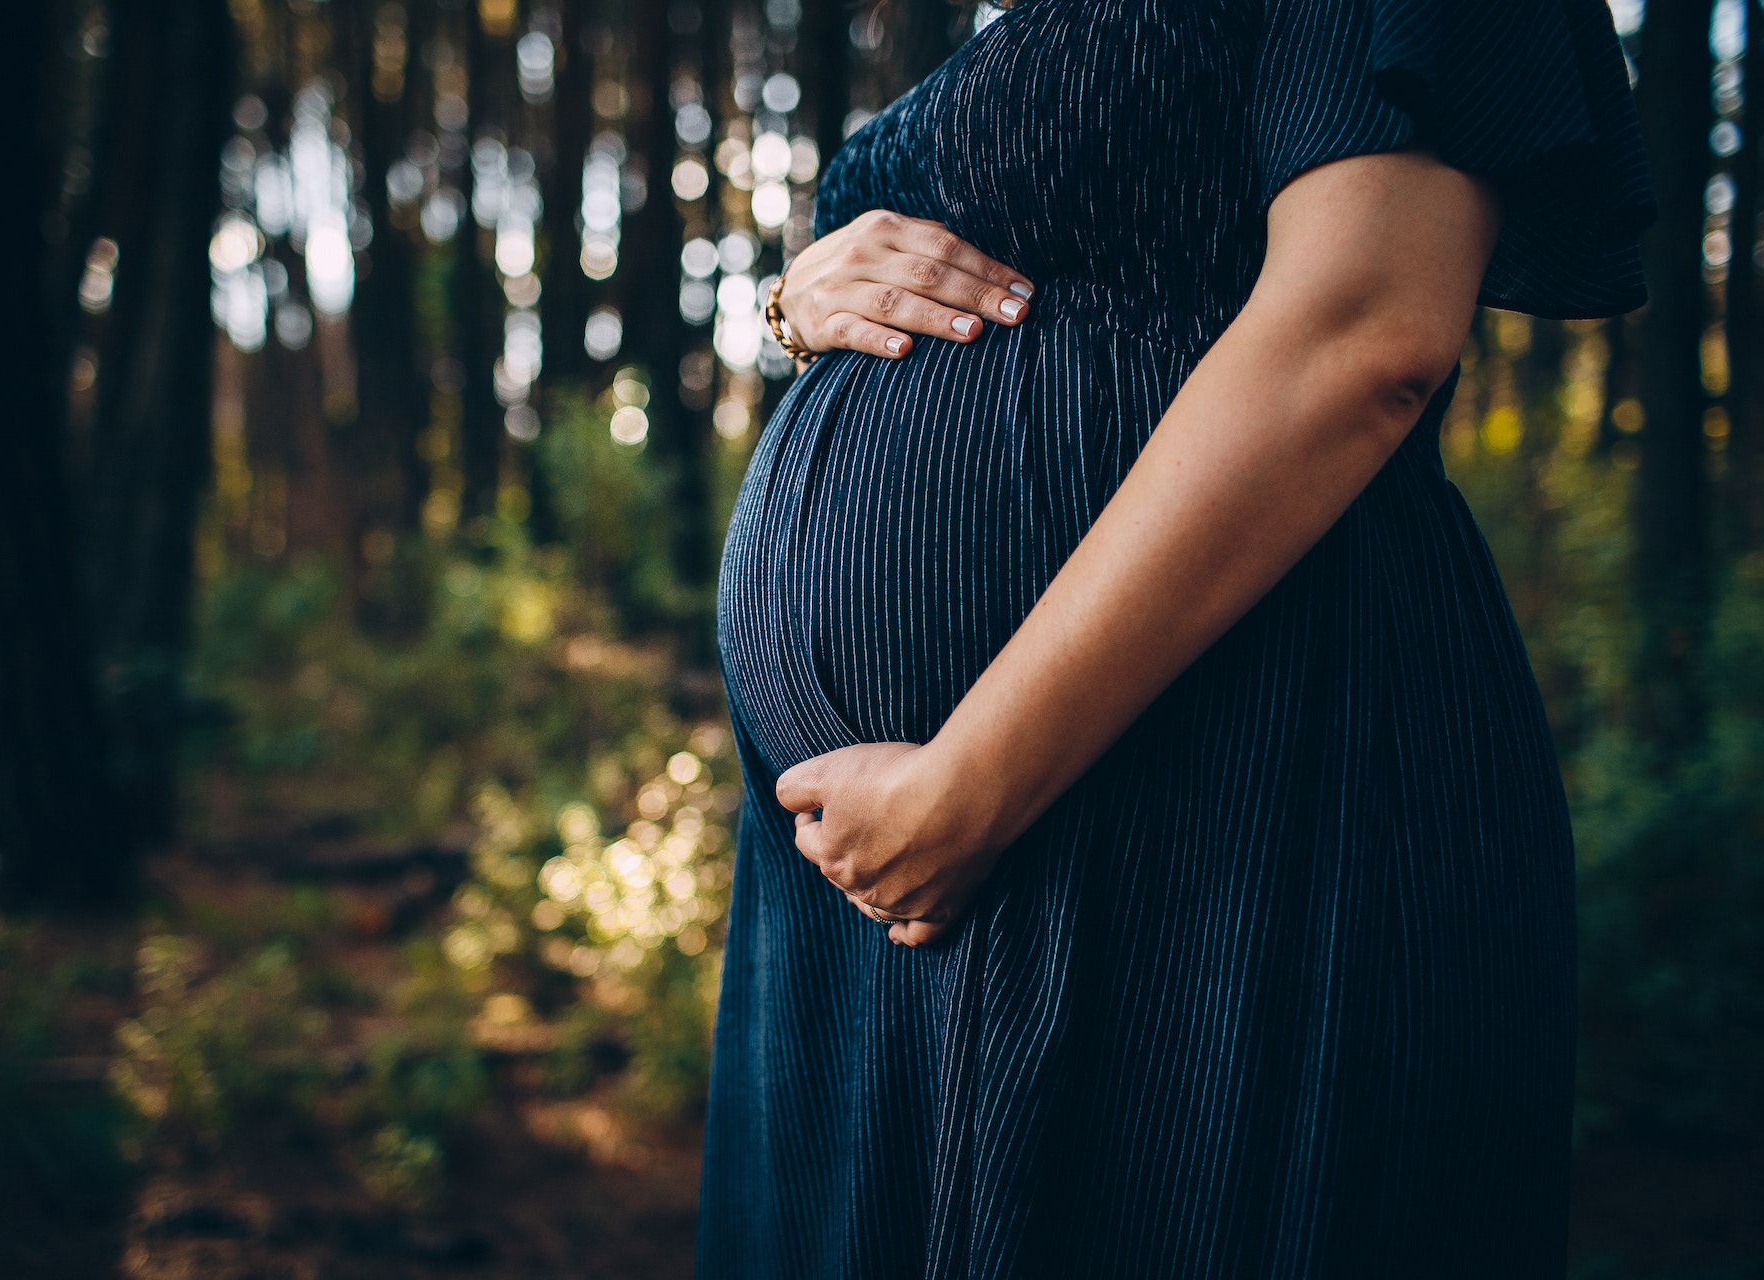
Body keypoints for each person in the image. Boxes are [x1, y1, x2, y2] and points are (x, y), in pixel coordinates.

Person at [698, 0, 1653, 1275]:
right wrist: (790, 304)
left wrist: (971, 780)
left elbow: (1364, 331)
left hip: (1235, 788)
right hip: (874, 885)